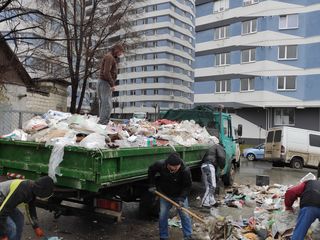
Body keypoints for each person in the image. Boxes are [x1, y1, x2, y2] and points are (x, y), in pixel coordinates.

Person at [148, 152, 193, 240]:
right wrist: (152, 184)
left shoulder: (185, 170)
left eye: (178, 166)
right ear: (168, 165)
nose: (176, 168)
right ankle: (163, 236)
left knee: (185, 215)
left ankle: (188, 236)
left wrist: (182, 199)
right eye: (174, 167)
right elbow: (151, 170)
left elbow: (187, 186)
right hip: (165, 194)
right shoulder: (160, 165)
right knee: (163, 215)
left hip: (180, 194)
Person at [0, 176, 54, 240]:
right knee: (11, 228)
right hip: (2, 202)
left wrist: (36, 227)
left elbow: (31, 208)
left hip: (5, 202)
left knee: (19, 218)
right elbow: (2, 214)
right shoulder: (22, 192)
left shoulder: (32, 189)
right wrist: (3, 235)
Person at [98, 43, 124, 125]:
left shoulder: (110, 57)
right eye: (120, 52)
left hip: (104, 82)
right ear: (116, 50)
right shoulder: (109, 57)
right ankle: (103, 123)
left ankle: (102, 122)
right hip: (105, 83)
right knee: (107, 104)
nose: (120, 54)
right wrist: (112, 84)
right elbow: (106, 72)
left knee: (104, 103)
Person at [200, 136, 225, 208]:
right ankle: (205, 203)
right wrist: (222, 167)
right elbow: (222, 157)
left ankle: (212, 201)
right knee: (212, 186)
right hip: (209, 166)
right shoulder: (218, 147)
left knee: (209, 186)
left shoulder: (211, 148)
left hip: (205, 165)